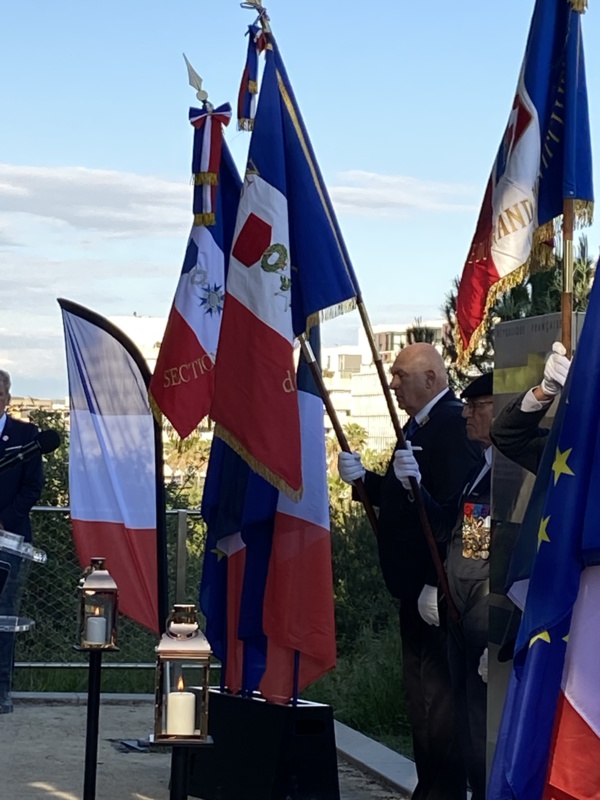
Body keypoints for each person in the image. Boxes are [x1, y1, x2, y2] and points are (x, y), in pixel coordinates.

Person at [338, 343, 481, 800]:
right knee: (420, 702)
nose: (393, 383)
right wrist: (364, 481)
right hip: (412, 589)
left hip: (438, 591)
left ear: (431, 379)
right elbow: (406, 500)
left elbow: (456, 516)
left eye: (401, 375)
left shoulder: (450, 427)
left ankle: (444, 792)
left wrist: (437, 582)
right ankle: (430, 787)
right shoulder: (417, 425)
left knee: (440, 706)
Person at [395, 372, 494, 800]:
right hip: (462, 614)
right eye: (466, 406)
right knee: (468, 733)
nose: (466, 414)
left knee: (481, 737)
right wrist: (414, 487)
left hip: (482, 617)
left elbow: (487, 556)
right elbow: (453, 532)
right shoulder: (482, 470)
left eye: (476, 407)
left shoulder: (506, 474)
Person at [0, 370, 44, 714]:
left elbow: (32, 486)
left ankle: (2, 688)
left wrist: (4, 520)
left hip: (10, 539)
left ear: (7, 398)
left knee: (4, 616)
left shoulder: (26, 435)